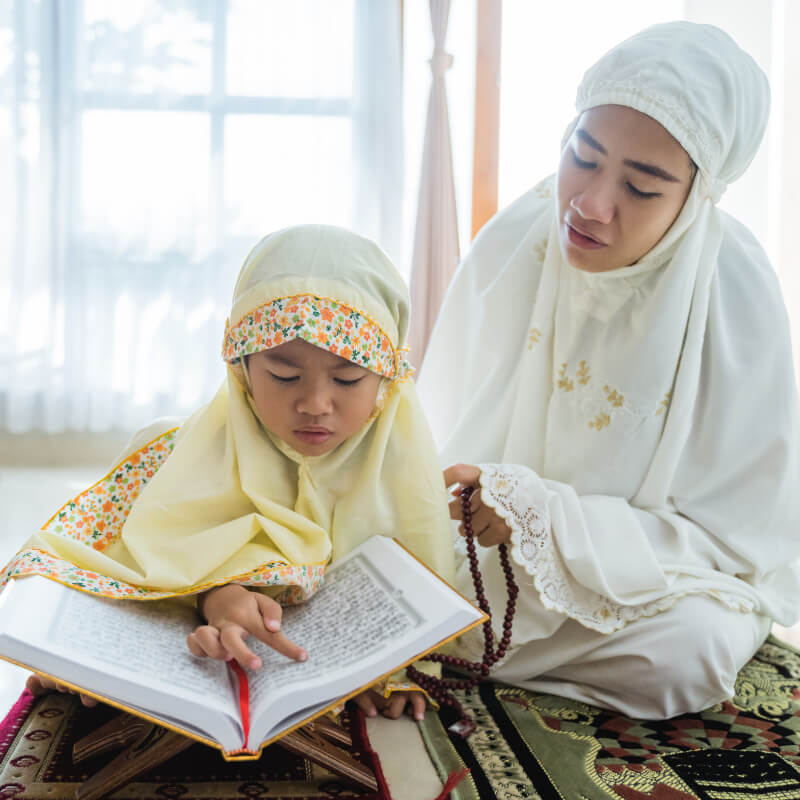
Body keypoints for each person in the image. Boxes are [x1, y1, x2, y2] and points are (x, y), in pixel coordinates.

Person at [418, 21, 800, 719]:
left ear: (695, 199)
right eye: (583, 156)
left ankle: (468, 650)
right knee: (402, 578)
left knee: (692, 652)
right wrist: (486, 501)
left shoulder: (736, 292)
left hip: (655, 586)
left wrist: (545, 516)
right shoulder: (514, 240)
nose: (590, 204)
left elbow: (733, 539)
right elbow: (441, 447)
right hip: (496, 568)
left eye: (643, 185)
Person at [8, 224, 455, 720]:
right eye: (284, 376)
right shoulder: (177, 462)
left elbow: (418, 590)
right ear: (241, 367)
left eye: (348, 378)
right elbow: (118, 566)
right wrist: (215, 596)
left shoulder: (405, 481)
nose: (314, 404)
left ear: (388, 378)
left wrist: (399, 669)